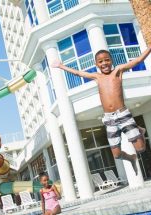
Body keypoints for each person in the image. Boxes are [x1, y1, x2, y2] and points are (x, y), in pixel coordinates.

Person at [52, 46, 151, 174]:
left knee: (141, 148)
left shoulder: (118, 71)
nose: (104, 63)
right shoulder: (97, 77)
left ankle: (139, 131)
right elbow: (78, 73)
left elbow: (137, 61)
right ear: (96, 64)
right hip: (109, 118)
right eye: (100, 61)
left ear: (111, 61)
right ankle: (131, 158)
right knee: (116, 155)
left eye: (107, 60)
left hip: (123, 114)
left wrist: (149, 48)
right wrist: (61, 66)